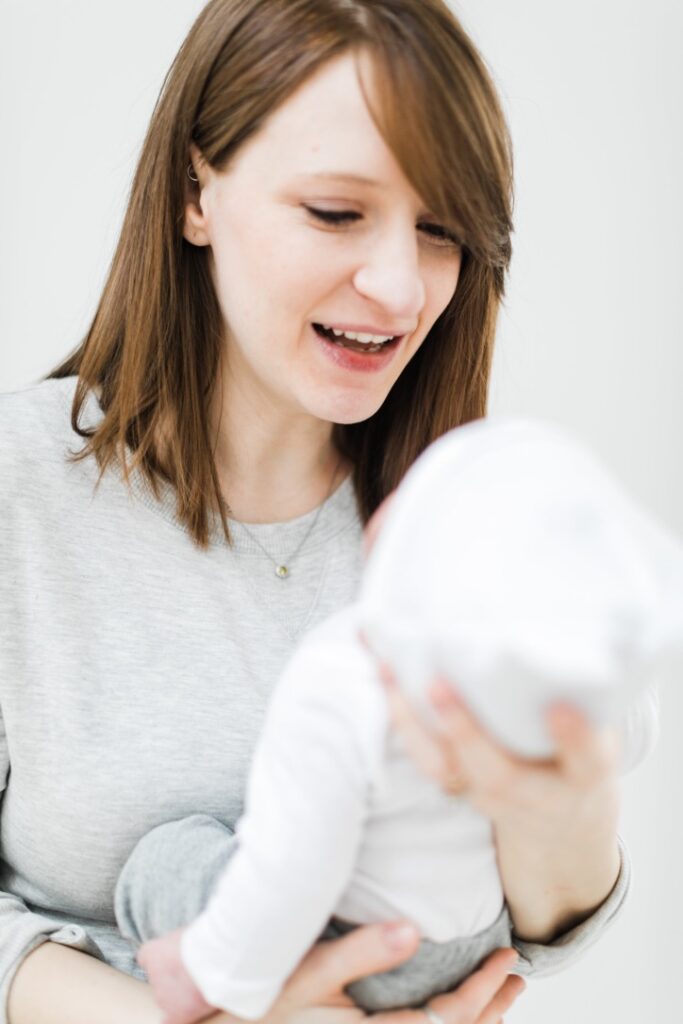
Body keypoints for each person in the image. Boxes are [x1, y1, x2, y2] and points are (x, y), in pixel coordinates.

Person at [0, 1, 644, 1022]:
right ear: (193, 192)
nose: (398, 286)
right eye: (336, 213)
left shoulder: (465, 528)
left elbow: (544, 930)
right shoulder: (18, 489)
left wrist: (563, 785)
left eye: (440, 231)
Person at [127, 418, 673, 1024]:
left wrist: (218, 975)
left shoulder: (347, 674)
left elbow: (296, 872)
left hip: (366, 951)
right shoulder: (548, 709)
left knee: (168, 856)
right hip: (472, 947)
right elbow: (632, 729)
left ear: (387, 534)